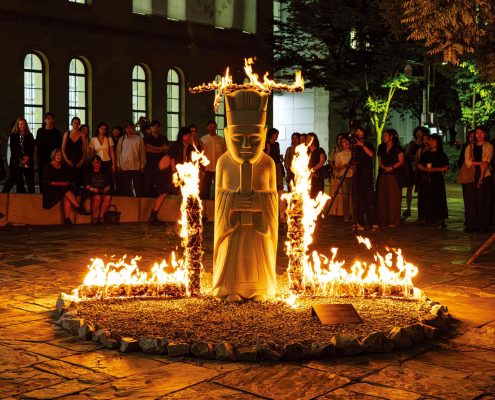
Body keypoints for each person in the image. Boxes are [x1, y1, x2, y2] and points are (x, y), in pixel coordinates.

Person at [465, 126, 493, 233]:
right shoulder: (470, 147)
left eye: (481, 132)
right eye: (477, 133)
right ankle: (472, 224)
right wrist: (481, 163)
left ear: (485, 134)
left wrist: (481, 178)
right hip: (471, 175)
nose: (479, 135)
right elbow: (468, 163)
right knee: (471, 200)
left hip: (484, 174)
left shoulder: (489, 146)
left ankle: (483, 225)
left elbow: (486, 163)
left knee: (483, 200)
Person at [416, 134, 449, 227]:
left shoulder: (441, 154)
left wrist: (435, 169)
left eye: (433, 140)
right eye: (429, 140)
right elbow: (419, 165)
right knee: (426, 197)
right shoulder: (426, 154)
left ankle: (439, 218)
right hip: (426, 178)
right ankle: (426, 217)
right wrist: (425, 169)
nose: (430, 142)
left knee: (438, 197)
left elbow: (446, 167)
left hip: (437, 178)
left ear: (437, 142)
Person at [42, 148, 80, 225]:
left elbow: (66, 178)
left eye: (60, 155)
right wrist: (61, 183)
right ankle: (78, 206)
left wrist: (65, 182)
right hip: (52, 188)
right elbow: (47, 181)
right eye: (57, 155)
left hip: (62, 187)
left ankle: (67, 219)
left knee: (66, 193)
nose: (59, 157)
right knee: (65, 190)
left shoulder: (63, 166)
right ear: (53, 156)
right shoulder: (48, 166)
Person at [377, 129, 405, 228]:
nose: (383, 137)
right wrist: (384, 167)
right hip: (383, 173)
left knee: (394, 198)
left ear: (391, 137)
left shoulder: (397, 148)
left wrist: (392, 167)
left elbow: (401, 161)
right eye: (383, 135)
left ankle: (394, 220)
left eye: (385, 135)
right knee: (382, 198)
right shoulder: (381, 147)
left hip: (394, 175)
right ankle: (383, 220)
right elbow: (380, 161)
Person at [351, 127, 376, 231]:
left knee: (369, 200)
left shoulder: (368, 144)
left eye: (360, 131)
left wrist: (362, 145)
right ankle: (359, 222)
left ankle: (373, 222)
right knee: (359, 200)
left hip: (367, 175)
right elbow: (353, 160)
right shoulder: (355, 147)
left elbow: (371, 154)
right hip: (358, 175)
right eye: (357, 131)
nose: (358, 132)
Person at [2, 118, 35, 194]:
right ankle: (4, 196)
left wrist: (27, 157)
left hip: (28, 161)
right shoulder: (13, 136)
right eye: (21, 124)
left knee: (30, 182)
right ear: (18, 125)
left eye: (24, 124)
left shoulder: (30, 135)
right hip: (16, 162)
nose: (23, 126)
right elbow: (14, 149)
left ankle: (32, 198)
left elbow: (31, 148)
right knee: (18, 182)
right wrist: (21, 158)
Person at [403, 126, 429, 217]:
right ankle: (408, 208)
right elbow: (406, 155)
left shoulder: (426, 144)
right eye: (417, 131)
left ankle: (423, 210)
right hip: (412, 168)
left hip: (422, 169)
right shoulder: (412, 143)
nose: (418, 133)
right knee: (409, 189)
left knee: (422, 189)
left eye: (420, 131)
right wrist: (416, 158)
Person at [116, 122, 146, 197]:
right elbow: (118, 152)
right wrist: (118, 164)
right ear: (125, 129)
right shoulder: (122, 139)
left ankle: (138, 200)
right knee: (126, 186)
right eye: (127, 128)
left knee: (138, 186)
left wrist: (142, 165)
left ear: (133, 128)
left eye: (130, 128)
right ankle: (127, 201)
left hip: (136, 165)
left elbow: (142, 152)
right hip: (124, 165)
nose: (129, 129)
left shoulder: (139, 138)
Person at [35, 112, 62, 193]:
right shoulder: (40, 131)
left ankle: (52, 192)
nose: (50, 120)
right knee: (41, 175)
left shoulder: (57, 132)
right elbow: (37, 145)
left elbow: (59, 147)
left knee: (53, 176)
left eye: (51, 119)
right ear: (45, 120)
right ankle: (42, 193)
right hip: (42, 157)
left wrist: (57, 158)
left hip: (53, 158)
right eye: (48, 118)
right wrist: (36, 157)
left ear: (53, 120)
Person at [200, 120, 226, 199]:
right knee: (206, 187)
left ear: (216, 128)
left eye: (214, 127)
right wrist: (202, 168)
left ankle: (217, 200)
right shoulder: (203, 139)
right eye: (210, 127)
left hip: (218, 167)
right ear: (207, 128)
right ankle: (205, 202)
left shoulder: (221, 140)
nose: (212, 129)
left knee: (218, 186)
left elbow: (224, 153)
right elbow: (201, 154)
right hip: (207, 168)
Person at [143, 120, 170, 198]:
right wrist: (160, 149)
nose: (155, 128)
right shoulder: (146, 138)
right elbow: (147, 149)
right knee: (149, 183)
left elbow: (166, 148)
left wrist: (153, 148)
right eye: (153, 126)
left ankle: (159, 198)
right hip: (149, 164)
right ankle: (148, 199)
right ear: (151, 128)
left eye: (157, 126)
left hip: (161, 164)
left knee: (160, 183)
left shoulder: (163, 138)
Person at [84, 156, 112, 224]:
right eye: (95, 162)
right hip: (92, 191)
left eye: (98, 162)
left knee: (108, 197)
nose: (97, 164)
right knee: (97, 198)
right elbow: (86, 185)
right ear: (92, 163)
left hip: (102, 191)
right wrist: (92, 189)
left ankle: (101, 217)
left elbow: (109, 184)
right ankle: (94, 217)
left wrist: (107, 188)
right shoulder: (88, 172)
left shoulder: (104, 172)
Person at [458, 130, 476, 231]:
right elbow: (461, 161)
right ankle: (469, 220)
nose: (472, 138)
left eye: (474, 136)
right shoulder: (466, 146)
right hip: (467, 176)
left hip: (477, 175)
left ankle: (474, 221)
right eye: (470, 136)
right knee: (468, 199)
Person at [61, 117, 87, 189]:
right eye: (74, 123)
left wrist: (81, 161)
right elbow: (63, 148)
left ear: (79, 124)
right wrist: (67, 160)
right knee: (68, 181)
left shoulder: (82, 134)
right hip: (68, 160)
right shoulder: (67, 133)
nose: (76, 124)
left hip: (78, 160)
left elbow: (85, 149)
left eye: (77, 123)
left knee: (77, 182)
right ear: (72, 124)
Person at [89, 122, 116, 187]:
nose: (103, 130)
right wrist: (92, 163)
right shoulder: (93, 139)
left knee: (108, 179)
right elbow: (92, 153)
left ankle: (109, 192)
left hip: (107, 161)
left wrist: (114, 164)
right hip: (97, 162)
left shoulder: (109, 138)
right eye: (102, 128)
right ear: (98, 129)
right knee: (99, 179)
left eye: (105, 129)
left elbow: (112, 152)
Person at [335, 136, 353, 222]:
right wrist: (343, 166)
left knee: (353, 197)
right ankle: (346, 216)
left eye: (347, 141)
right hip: (344, 176)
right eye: (343, 142)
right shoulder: (340, 154)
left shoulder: (353, 153)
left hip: (353, 175)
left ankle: (354, 215)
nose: (346, 143)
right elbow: (337, 166)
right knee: (345, 197)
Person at [328, 133, 345, 216]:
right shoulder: (335, 149)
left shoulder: (347, 149)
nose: (340, 140)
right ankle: (334, 211)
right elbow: (330, 161)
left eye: (341, 138)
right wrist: (336, 168)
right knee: (334, 192)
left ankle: (342, 211)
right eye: (338, 139)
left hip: (344, 172)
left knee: (343, 192)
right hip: (335, 172)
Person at [307, 132, 327, 199]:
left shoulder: (319, 150)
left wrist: (313, 169)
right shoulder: (305, 151)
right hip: (307, 176)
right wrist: (309, 171)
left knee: (317, 194)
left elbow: (322, 161)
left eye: (310, 138)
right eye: (307, 138)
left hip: (317, 175)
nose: (308, 140)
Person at [111, 125, 123, 193]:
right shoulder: (110, 140)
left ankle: (120, 193)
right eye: (114, 131)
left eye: (117, 131)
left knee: (120, 179)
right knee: (112, 179)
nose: (115, 132)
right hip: (112, 161)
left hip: (121, 162)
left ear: (120, 132)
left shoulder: (122, 140)